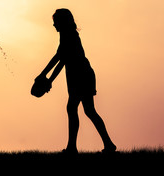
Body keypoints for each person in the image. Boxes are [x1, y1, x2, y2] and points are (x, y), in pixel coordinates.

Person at [36, 8, 116, 154]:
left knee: (74, 108)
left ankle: (73, 148)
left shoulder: (70, 36)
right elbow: (61, 59)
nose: (54, 25)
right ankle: (107, 144)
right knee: (88, 111)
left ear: (61, 22)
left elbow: (59, 59)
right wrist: (46, 78)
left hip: (81, 75)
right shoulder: (66, 35)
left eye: (55, 22)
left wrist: (45, 77)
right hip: (79, 75)